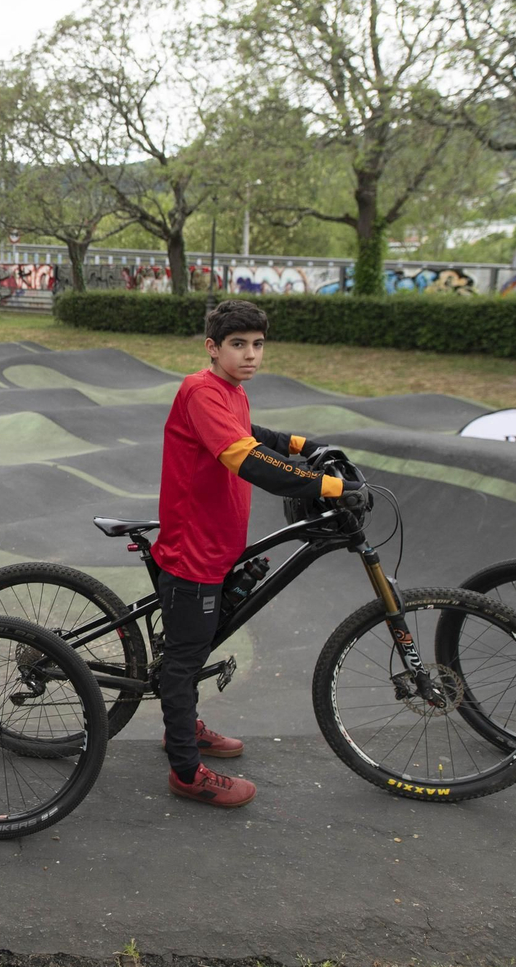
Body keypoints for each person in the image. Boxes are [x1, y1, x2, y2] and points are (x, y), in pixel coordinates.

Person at [153, 299, 363, 809]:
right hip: (194, 551)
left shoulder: (231, 390)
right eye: (238, 344)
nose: (250, 354)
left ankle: (184, 725)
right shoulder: (201, 390)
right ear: (212, 347)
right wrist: (329, 486)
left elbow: (252, 433)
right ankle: (186, 772)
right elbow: (247, 458)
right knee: (184, 658)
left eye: (258, 344)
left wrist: (303, 444)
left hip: (217, 544)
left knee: (196, 645)